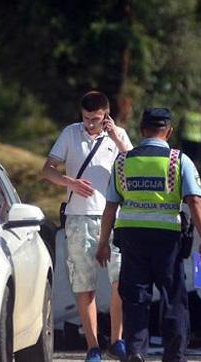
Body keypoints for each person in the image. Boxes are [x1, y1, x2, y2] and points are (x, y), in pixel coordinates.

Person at [95, 107, 201, 362]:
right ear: (169, 132)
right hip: (167, 239)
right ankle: (174, 356)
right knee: (173, 298)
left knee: (135, 298)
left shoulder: (123, 161)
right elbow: (195, 201)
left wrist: (103, 242)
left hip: (132, 238)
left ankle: (136, 351)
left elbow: (111, 206)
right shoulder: (179, 161)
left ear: (141, 131)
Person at [42, 91, 133, 362]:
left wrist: (116, 138)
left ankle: (117, 341)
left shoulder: (118, 135)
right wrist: (69, 182)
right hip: (79, 218)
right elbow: (47, 169)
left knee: (120, 281)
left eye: (95, 119)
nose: (90, 124)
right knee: (84, 284)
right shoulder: (71, 133)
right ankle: (93, 346)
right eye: (86, 118)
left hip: (113, 218)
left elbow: (134, 166)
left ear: (106, 115)